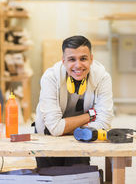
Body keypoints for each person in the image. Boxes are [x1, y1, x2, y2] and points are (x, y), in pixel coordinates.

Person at [35, 35, 113, 168]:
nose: (78, 65)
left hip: (82, 139)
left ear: (91, 59)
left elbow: (105, 122)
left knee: (79, 175)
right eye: (72, 59)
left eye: (83, 58)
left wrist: (65, 129)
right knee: (49, 176)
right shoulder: (50, 78)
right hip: (48, 136)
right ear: (63, 61)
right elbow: (54, 128)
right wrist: (91, 115)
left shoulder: (102, 77)